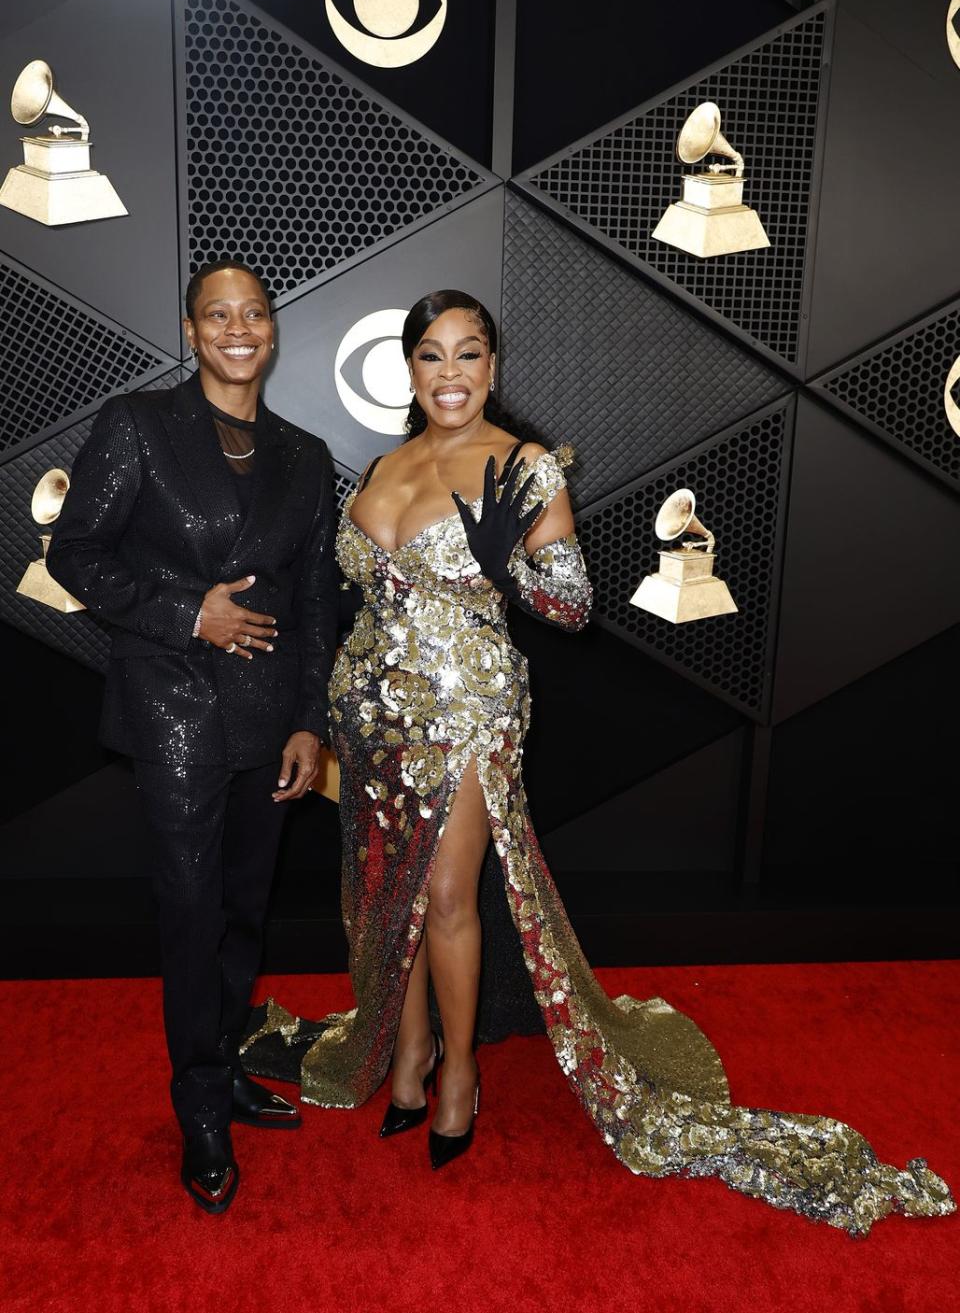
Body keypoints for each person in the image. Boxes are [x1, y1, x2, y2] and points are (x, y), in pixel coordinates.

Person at [241, 289, 953, 1233]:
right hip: (370, 714)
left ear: (494, 367)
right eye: (431, 356)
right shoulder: (383, 464)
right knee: (384, 895)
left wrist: (508, 571)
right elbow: (359, 595)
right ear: (407, 369)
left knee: (448, 897)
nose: (450, 373)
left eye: (469, 354)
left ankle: (459, 1073)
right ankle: (405, 1054)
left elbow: (574, 607)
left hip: (465, 708)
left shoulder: (527, 466)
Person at [47, 259, 339, 1215]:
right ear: (189, 329)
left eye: (254, 312)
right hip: (174, 708)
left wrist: (309, 722)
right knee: (191, 912)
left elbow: (313, 607)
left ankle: (222, 1066)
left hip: (269, 724)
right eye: (218, 314)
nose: (238, 328)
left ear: (273, 330)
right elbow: (74, 551)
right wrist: (187, 612)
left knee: (246, 911)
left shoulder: (305, 456)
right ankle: (201, 1106)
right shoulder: (139, 426)